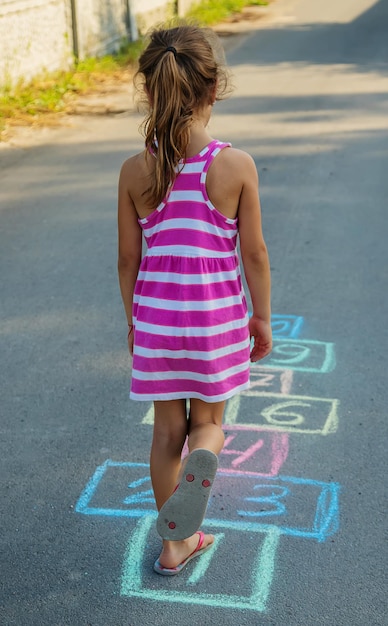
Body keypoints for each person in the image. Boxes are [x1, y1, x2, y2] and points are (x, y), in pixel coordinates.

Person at [117, 23, 272, 576]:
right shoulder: (234, 165)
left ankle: (174, 543)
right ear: (213, 90)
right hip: (214, 321)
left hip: (158, 322)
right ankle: (205, 451)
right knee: (207, 422)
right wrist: (262, 318)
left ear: (150, 90)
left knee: (165, 433)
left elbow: (127, 262)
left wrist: (134, 321)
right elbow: (253, 254)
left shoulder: (136, 170)